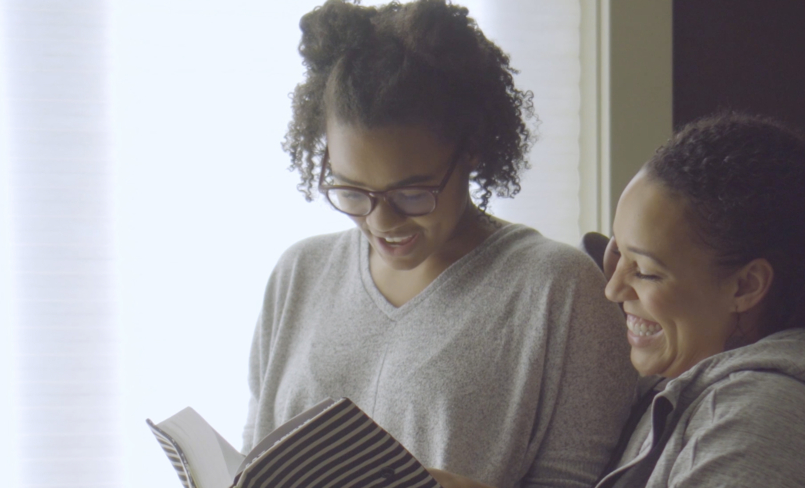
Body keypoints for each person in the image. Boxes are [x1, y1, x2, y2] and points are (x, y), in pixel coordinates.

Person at [431, 113, 805, 488]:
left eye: (648, 272)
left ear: (745, 286)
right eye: (615, 254)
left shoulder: (767, 424)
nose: (612, 289)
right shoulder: (716, 393)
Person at [244, 1, 639, 487]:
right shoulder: (298, 274)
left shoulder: (558, 290)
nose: (381, 220)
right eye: (351, 191)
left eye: (412, 193)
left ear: (470, 149)